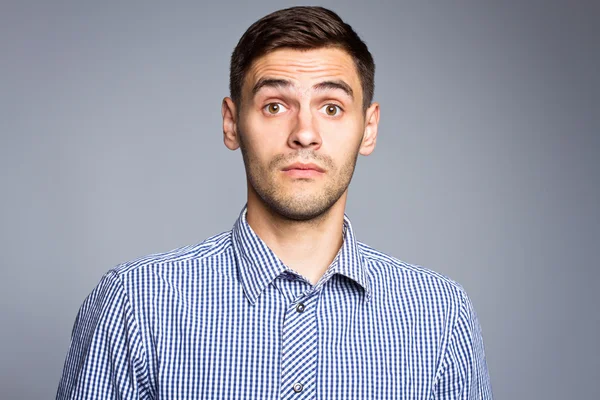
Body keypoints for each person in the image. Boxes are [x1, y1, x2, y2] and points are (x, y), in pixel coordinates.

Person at [57, 6, 492, 399]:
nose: (304, 132)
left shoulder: (440, 316)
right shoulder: (135, 304)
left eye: (332, 108)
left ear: (370, 127)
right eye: (274, 105)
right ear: (231, 123)